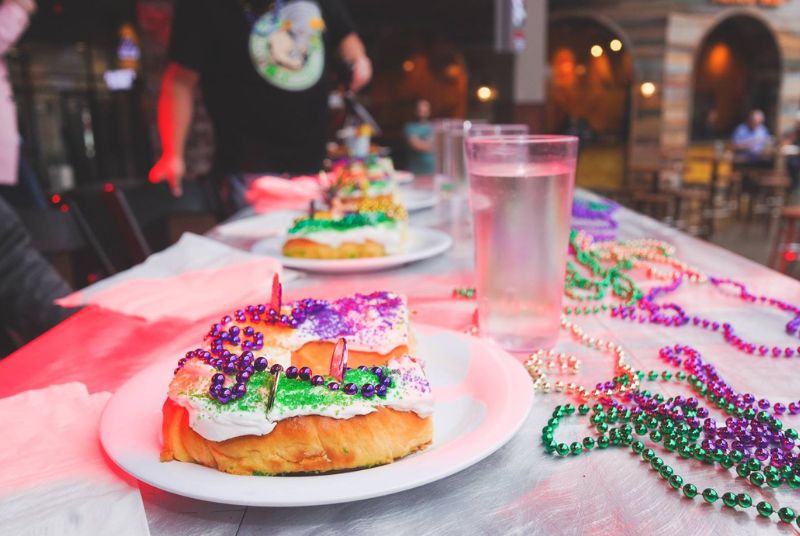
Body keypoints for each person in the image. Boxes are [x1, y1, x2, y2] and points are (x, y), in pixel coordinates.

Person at [149, 0, 372, 213]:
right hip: (246, 172)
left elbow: (350, 42)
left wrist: (359, 62)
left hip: (316, 165)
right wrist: (172, 155)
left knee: (316, 244)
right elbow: (179, 82)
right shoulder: (204, 5)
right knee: (264, 250)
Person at [403, 99, 434, 175]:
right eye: (420, 111)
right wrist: (431, 145)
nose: (422, 114)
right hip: (416, 171)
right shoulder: (410, 127)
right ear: (416, 111)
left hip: (432, 171)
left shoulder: (434, 127)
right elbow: (416, 145)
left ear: (429, 112)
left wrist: (422, 143)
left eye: (425, 111)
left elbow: (441, 146)